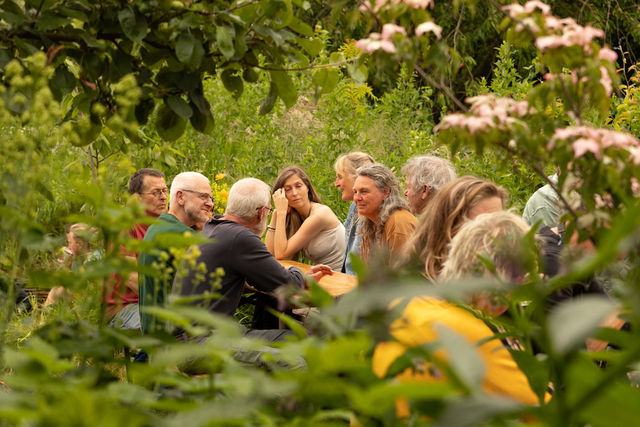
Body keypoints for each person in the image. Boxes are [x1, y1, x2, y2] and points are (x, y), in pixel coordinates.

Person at [373, 211, 545, 419]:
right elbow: (543, 411)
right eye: (522, 275)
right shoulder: (476, 333)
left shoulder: (407, 304)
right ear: (503, 277)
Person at [173, 178, 331, 341]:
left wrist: (297, 278)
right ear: (261, 213)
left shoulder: (215, 226)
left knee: (293, 337)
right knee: (295, 353)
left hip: (190, 334)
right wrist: (296, 272)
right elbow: (288, 284)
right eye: (269, 211)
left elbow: (264, 280)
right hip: (201, 342)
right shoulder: (239, 237)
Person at [139, 171, 214, 334]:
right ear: (180, 197)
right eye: (204, 197)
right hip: (176, 342)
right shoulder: (182, 236)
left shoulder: (160, 226)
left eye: (211, 198)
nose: (210, 204)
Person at [398, 176, 507, 280]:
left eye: (499, 223)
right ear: (447, 228)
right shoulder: (419, 287)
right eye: (480, 226)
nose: (495, 234)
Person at [104, 168, 167, 329]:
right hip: (126, 307)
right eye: (156, 193)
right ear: (137, 198)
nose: (163, 197)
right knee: (164, 327)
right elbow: (132, 277)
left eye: (165, 191)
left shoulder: (169, 221)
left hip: (160, 303)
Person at [266, 166, 345, 271]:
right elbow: (270, 254)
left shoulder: (320, 214)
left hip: (343, 278)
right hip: (323, 277)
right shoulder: (295, 216)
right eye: (288, 189)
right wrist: (276, 213)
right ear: (281, 195)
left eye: (298, 186)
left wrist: (281, 213)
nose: (294, 193)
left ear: (307, 187)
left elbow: (281, 254)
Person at [353, 163, 417, 265]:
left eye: (364, 192)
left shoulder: (399, 223)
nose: (357, 198)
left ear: (385, 192)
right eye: (355, 192)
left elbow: (404, 276)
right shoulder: (370, 221)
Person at [334, 152, 375, 275]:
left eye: (340, 177)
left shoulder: (375, 212)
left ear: (356, 177)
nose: (336, 184)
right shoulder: (354, 207)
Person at [45, 223, 101, 306]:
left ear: (80, 244)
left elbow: (87, 289)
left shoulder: (94, 259)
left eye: (70, 243)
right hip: (84, 297)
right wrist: (66, 265)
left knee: (57, 291)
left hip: (95, 299)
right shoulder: (78, 259)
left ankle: (43, 316)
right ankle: (44, 316)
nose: (68, 246)